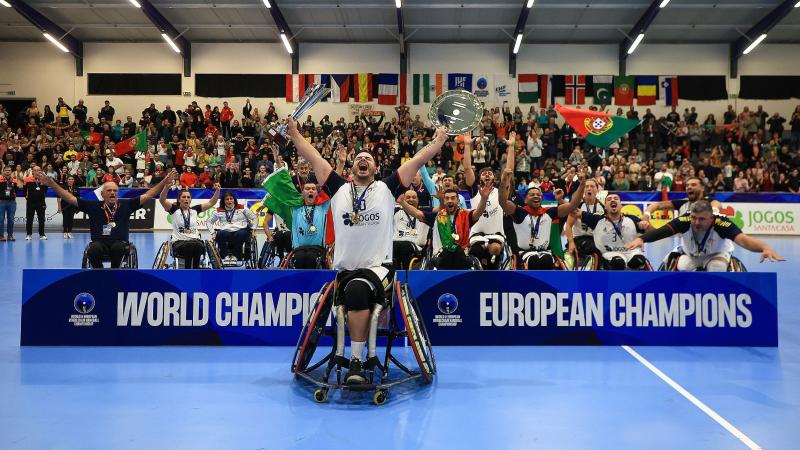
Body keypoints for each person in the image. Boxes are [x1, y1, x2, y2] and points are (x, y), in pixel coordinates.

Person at [285, 116, 447, 385]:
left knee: (357, 290)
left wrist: (439, 140)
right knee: (352, 287)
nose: (363, 160)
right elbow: (314, 157)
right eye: (359, 157)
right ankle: (353, 354)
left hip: (378, 268)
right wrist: (294, 134)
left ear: (375, 167)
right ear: (352, 167)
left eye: (368, 158)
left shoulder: (386, 187)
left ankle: (357, 362)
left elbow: (417, 160)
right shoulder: (339, 188)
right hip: (346, 269)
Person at [38, 170, 172, 268]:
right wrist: (52, 183)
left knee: (118, 248)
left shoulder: (126, 205)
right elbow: (70, 198)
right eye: (109, 191)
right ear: (102, 194)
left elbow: (148, 195)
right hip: (99, 243)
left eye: (115, 190)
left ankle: (114, 272)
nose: (112, 193)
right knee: (93, 249)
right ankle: (99, 273)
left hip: (119, 243)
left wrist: (163, 182)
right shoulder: (93, 206)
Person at [498, 134, 586, 269]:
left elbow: (573, 205)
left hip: (546, 253)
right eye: (532, 194)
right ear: (525, 199)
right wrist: (504, 180)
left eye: (538, 194)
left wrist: (582, 185)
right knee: (534, 261)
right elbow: (503, 202)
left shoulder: (549, 212)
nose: (535, 196)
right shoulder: (520, 212)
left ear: (542, 198)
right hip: (525, 254)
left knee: (546, 260)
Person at [627, 200, 784, 271]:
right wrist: (642, 239)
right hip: (692, 254)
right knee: (683, 266)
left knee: (717, 268)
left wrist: (765, 247)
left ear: (711, 217)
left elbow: (744, 240)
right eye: (694, 218)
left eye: (701, 219)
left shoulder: (722, 223)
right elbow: (664, 231)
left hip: (716, 254)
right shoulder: (685, 219)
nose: (696, 222)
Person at [259, 159, 332, 269]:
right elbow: (284, 187)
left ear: (317, 192)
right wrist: (279, 165)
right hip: (299, 248)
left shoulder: (322, 207)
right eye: (307, 189)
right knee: (300, 258)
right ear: (302, 193)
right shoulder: (296, 208)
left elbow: (332, 185)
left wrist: (340, 163)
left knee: (311, 258)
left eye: (313, 189)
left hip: (317, 248)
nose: (311, 191)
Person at [398, 186, 490, 270]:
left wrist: (484, 198)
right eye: (447, 198)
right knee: (448, 251)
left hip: (462, 257)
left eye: (453, 198)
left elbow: (478, 212)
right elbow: (417, 213)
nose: (450, 201)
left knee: (457, 250)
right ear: (444, 201)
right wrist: (402, 202)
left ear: (458, 201)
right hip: (440, 258)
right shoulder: (437, 217)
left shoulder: (466, 215)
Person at [462, 133, 506, 269]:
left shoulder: (500, 191)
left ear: (494, 178)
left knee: (495, 250)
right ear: (480, 178)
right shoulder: (475, 190)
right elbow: (467, 168)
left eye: (490, 173)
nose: (487, 174)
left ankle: (494, 268)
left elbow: (508, 171)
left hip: (496, 234)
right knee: (477, 252)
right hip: (477, 233)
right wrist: (467, 145)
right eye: (484, 173)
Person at [580, 193, 651, 270]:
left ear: (621, 205)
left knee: (638, 261)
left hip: (631, 252)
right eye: (609, 199)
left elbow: (646, 229)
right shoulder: (596, 219)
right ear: (605, 206)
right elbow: (574, 211)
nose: (613, 200)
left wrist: (644, 225)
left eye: (616, 198)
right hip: (610, 253)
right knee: (618, 264)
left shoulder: (632, 219)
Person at [159, 183, 220, 268]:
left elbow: (211, 202)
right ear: (179, 200)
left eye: (188, 197)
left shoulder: (195, 210)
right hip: (179, 242)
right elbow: (162, 200)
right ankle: (188, 270)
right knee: (190, 245)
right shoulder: (174, 210)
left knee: (197, 245)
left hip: (195, 241)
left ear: (191, 200)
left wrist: (217, 190)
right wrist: (166, 187)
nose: (186, 199)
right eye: (183, 197)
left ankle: (195, 269)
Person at [207, 191, 257, 262]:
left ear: (234, 200)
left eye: (231, 198)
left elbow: (254, 218)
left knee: (241, 234)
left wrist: (254, 230)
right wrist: (213, 233)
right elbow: (209, 221)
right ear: (223, 201)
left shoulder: (242, 208)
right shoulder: (218, 210)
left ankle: (235, 256)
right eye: (227, 199)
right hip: (226, 232)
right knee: (220, 234)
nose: (229, 201)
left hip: (241, 230)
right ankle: (226, 256)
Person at [565, 178, 604, 259]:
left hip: (597, 239)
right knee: (596, 248)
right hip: (580, 239)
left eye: (592, 186)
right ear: (583, 190)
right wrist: (571, 242)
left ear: (597, 190)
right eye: (586, 186)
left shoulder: (603, 207)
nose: (589, 188)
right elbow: (568, 225)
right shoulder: (577, 206)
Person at [392, 189, 431, 270]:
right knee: (392, 246)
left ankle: (406, 275)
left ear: (418, 200)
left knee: (405, 246)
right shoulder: (395, 212)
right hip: (396, 244)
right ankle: (395, 274)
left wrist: (441, 199)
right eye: (408, 197)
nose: (411, 199)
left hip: (417, 248)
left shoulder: (424, 213)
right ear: (404, 200)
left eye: (414, 197)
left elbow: (440, 210)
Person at [24, 165, 48, 240]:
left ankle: (42, 234)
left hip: (41, 202)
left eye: (38, 170)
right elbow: (25, 190)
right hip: (31, 202)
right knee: (29, 219)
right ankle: (29, 234)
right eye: (35, 170)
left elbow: (45, 190)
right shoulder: (27, 179)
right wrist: (28, 198)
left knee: (41, 219)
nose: (37, 172)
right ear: (32, 171)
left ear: (41, 171)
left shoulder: (44, 180)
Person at [0, 165, 22, 242]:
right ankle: (1, 236)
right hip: (1, 202)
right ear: (3, 171)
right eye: (6, 170)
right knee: (0, 219)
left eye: (9, 170)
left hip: (12, 202)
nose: (8, 172)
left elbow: (17, 189)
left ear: (11, 172)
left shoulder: (14, 180)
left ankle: (10, 236)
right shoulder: (0, 179)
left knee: (11, 220)